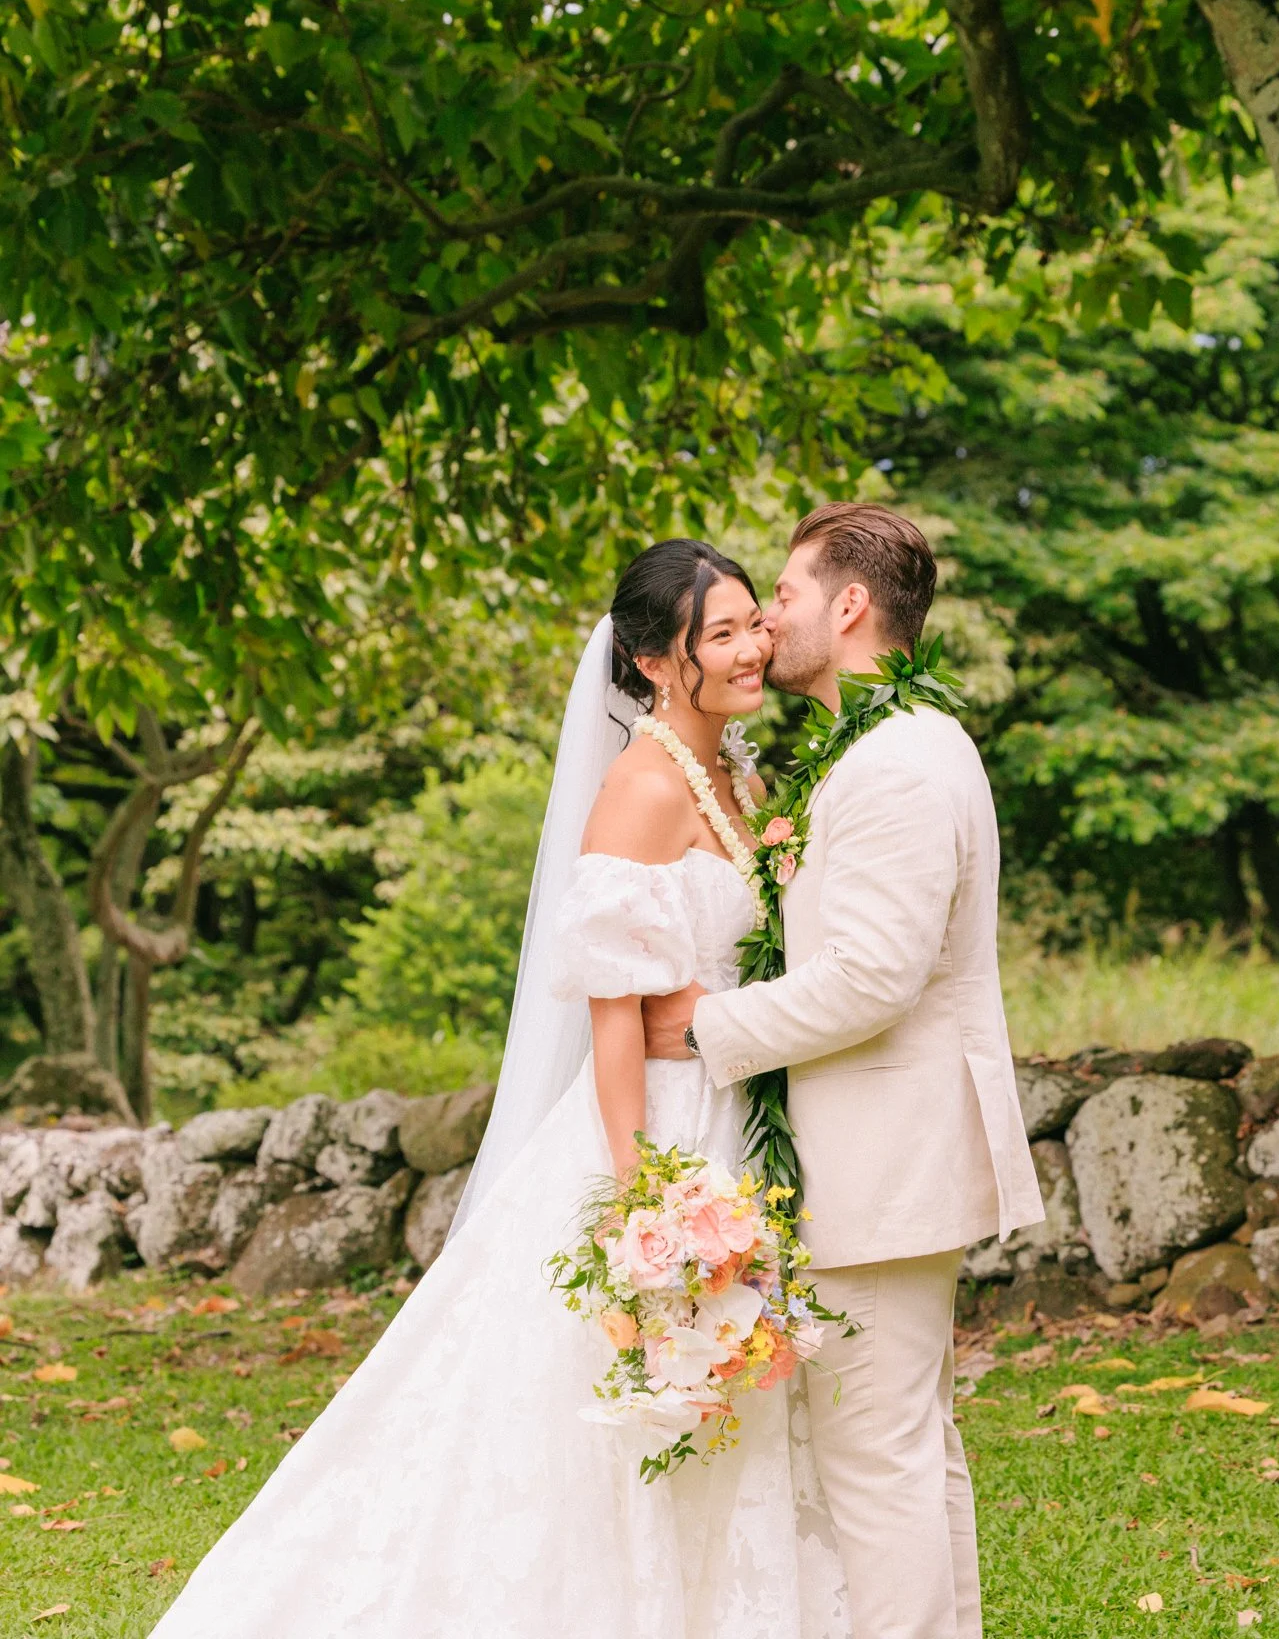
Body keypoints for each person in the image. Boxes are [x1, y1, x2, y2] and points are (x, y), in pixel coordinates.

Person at [146, 539, 850, 1639]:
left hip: (737, 1120)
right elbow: (613, 1019)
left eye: (755, 620)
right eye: (722, 631)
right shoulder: (640, 789)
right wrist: (644, 1203)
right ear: (657, 661)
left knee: (732, 1400)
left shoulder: (739, 773)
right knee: (604, 1406)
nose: (755, 643)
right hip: (659, 1132)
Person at [643, 503, 1044, 1639]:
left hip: (885, 1165)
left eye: (786, 590)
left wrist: (710, 1025)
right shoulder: (877, 747)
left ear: (851, 604)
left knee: (882, 1461)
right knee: (910, 1452)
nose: (769, 617)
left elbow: (875, 974)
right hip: (884, 1158)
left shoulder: (899, 764)